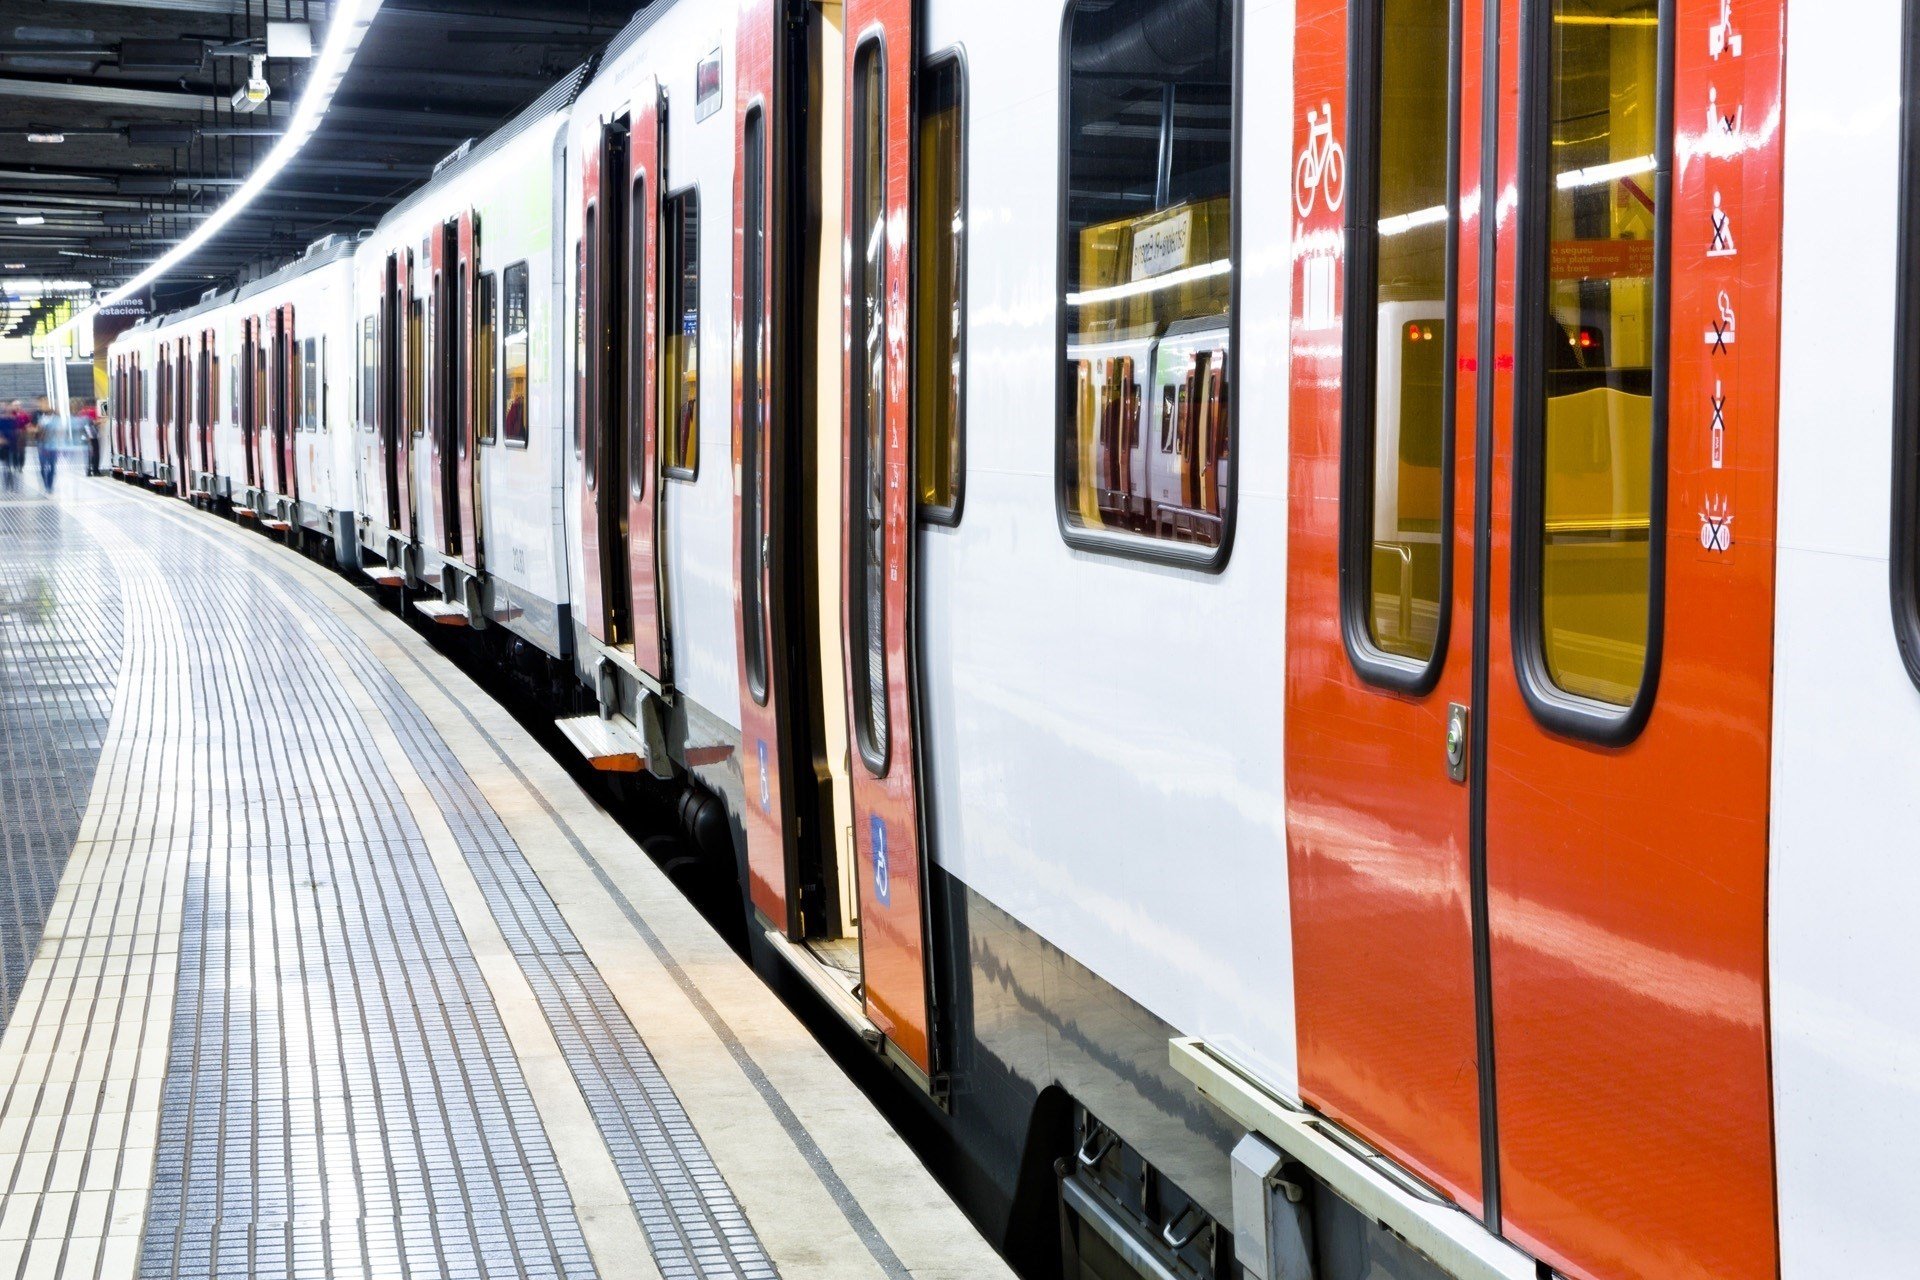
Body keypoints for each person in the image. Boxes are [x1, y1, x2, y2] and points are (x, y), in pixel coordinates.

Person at [36, 399, 60, 493]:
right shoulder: (41, 418)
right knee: (43, 466)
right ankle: (45, 483)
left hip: (53, 445)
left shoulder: (56, 419)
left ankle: (49, 485)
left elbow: (59, 432)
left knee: (52, 466)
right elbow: (38, 432)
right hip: (42, 445)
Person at [0, 402, 18, 493]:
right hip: (4, 445)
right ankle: (8, 484)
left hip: (13, 444)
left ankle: (11, 484)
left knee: (11, 464)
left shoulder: (14, 419)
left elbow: (16, 431)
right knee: (7, 465)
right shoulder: (1, 419)